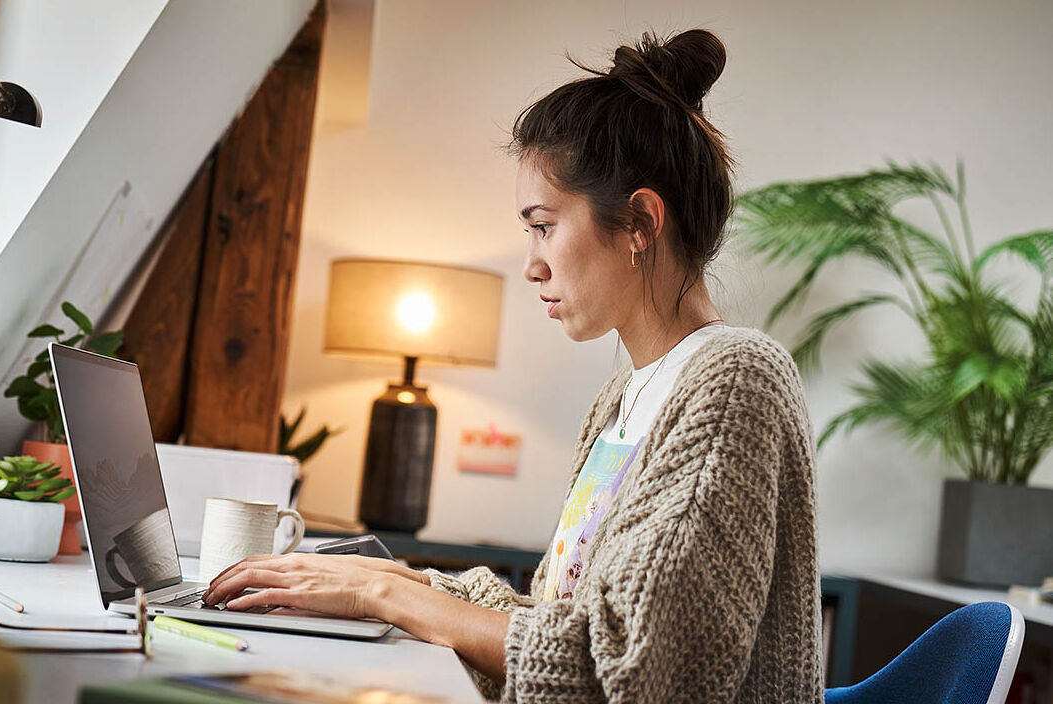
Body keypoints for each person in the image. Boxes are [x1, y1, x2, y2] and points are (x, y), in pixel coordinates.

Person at [203, 28, 823, 704]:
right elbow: (560, 627)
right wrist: (395, 583)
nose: (532, 265)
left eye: (543, 226)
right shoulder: (624, 396)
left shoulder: (735, 380)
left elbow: (625, 673)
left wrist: (384, 595)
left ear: (641, 222)